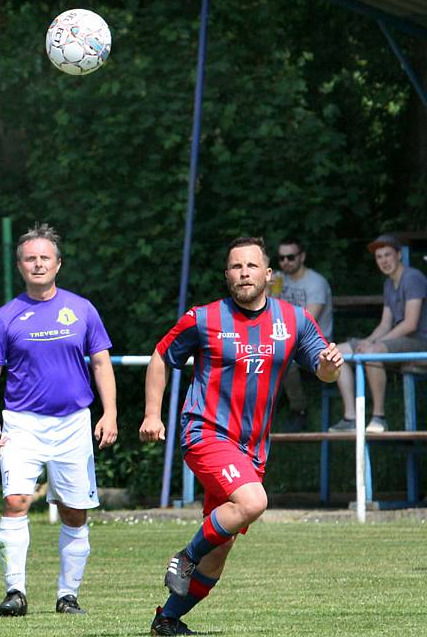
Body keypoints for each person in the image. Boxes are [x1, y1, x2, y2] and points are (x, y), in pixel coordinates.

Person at [139, 236, 342, 636]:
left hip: (251, 449)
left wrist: (330, 365)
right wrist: (152, 413)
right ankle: (184, 557)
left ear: (268, 274)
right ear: (227, 275)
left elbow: (323, 368)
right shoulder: (205, 318)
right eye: (235, 266)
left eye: (251, 266)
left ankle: (167, 619)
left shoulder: (293, 319)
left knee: (221, 549)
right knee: (253, 501)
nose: (244, 273)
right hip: (206, 432)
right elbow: (162, 354)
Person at [0, 223, 118, 617]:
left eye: (44, 257)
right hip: (21, 423)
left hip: (73, 423)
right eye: (29, 258)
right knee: (15, 501)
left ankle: (67, 595)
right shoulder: (6, 316)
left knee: (75, 511)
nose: (37, 264)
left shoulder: (82, 309)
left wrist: (109, 413)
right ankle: (15, 592)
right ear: (19, 265)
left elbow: (101, 363)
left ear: (58, 264)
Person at [329, 234, 427, 433]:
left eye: (388, 255)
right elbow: (384, 323)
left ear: (399, 255)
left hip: (420, 342)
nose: (384, 260)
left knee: (372, 352)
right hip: (400, 341)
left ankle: (379, 418)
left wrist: (373, 345)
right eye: (379, 257)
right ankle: (351, 418)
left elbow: (410, 323)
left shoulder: (413, 277)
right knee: (337, 353)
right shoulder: (389, 284)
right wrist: (366, 341)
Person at [276, 237, 334, 431]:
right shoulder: (276, 279)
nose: (285, 262)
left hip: (315, 341)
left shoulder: (316, 282)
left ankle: (298, 409)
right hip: (283, 337)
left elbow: (308, 322)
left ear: (302, 257)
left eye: (290, 257)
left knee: (285, 358)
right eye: (281, 258)